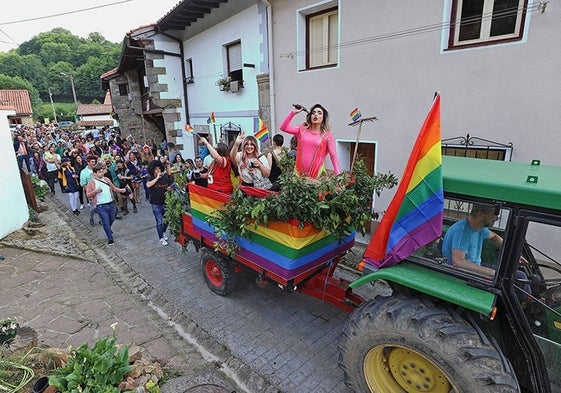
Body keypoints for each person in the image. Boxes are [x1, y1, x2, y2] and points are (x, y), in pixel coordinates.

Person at [442, 204, 531, 296]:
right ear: (480, 215)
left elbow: (494, 237)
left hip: (475, 266)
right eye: (494, 214)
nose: (496, 218)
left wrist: (512, 253)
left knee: (519, 276)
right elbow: (458, 262)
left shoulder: (479, 228)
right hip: (462, 274)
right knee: (506, 282)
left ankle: (528, 302)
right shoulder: (462, 232)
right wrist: (491, 272)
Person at [279, 104, 340, 178]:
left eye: (319, 113)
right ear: (310, 116)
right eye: (313, 113)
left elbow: (334, 156)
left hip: (317, 175)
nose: (315, 115)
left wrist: (338, 175)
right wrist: (293, 112)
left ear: (323, 118)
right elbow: (283, 128)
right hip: (299, 174)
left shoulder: (327, 136)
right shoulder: (302, 130)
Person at [85, 163, 126, 245]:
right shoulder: (91, 183)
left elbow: (113, 188)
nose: (101, 173)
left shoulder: (106, 179)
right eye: (99, 172)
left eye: (102, 171)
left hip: (110, 203)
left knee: (112, 217)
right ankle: (110, 238)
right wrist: (95, 191)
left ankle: (108, 229)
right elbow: (88, 194)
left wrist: (121, 190)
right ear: (95, 173)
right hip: (100, 205)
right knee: (106, 221)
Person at [146, 160, 174, 246]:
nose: (158, 170)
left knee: (166, 220)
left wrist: (170, 188)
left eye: (159, 169)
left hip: (165, 202)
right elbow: (148, 185)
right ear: (153, 170)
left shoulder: (165, 177)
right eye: (156, 169)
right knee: (159, 222)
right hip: (156, 204)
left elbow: (170, 185)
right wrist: (157, 178)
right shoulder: (151, 178)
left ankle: (163, 232)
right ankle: (161, 238)